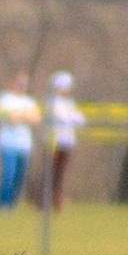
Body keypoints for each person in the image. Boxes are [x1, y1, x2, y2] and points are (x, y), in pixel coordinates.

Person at [0, 73, 40, 211]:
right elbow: (11, 120)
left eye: (24, 84)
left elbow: (36, 119)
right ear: (13, 84)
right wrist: (25, 115)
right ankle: (3, 204)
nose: (22, 87)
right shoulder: (5, 99)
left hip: (24, 145)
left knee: (20, 176)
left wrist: (21, 115)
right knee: (9, 173)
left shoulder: (30, 101)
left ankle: (12, 205)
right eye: (19, 83)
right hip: (7, 143)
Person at [41, 71, 86, 213]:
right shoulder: (51, 102)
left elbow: (80, 120)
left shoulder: (70, 103)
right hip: (53, 142)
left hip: (67, 142)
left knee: (60, 173)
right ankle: (42, 202)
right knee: (50, 172)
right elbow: (62, 118)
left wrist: (71, 118)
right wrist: (70, 118)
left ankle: (57, 201)